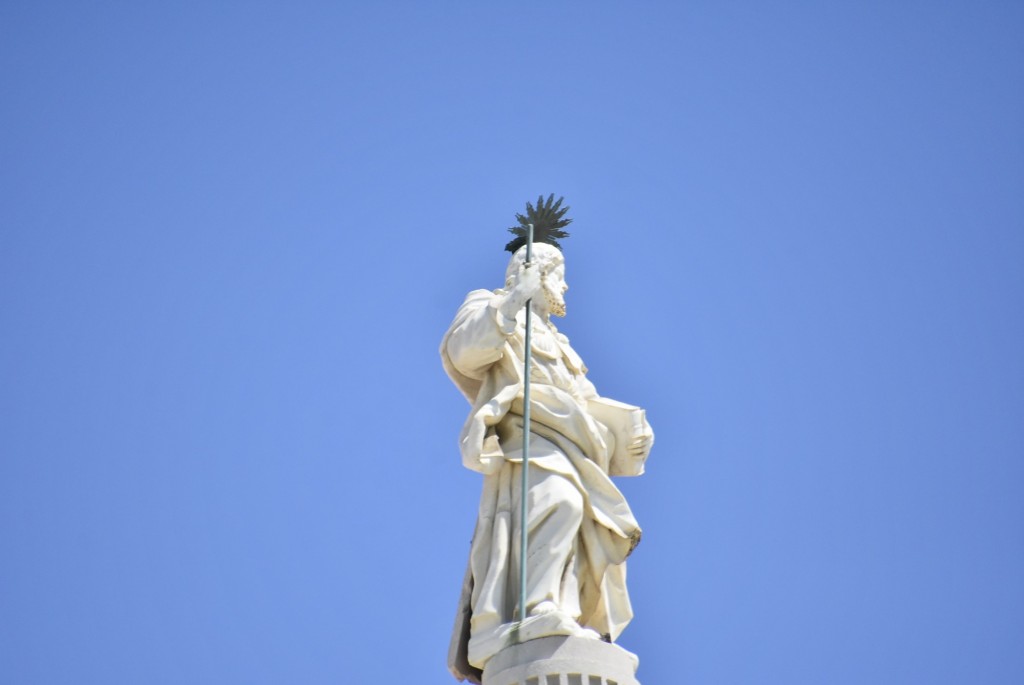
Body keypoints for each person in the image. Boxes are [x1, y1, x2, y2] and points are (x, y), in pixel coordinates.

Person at [442, 241, 654, 682]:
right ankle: (534, 607)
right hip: (526, 442)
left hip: (576, 450)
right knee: (559, 503)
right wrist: (514, 298)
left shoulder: (561, 345)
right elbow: (465, 352)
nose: (566, 285)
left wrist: (629, 430)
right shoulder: (492, 306)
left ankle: (559, 608)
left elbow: (585, 402)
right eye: (559, 274)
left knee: (577, 525)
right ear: (535, 272)